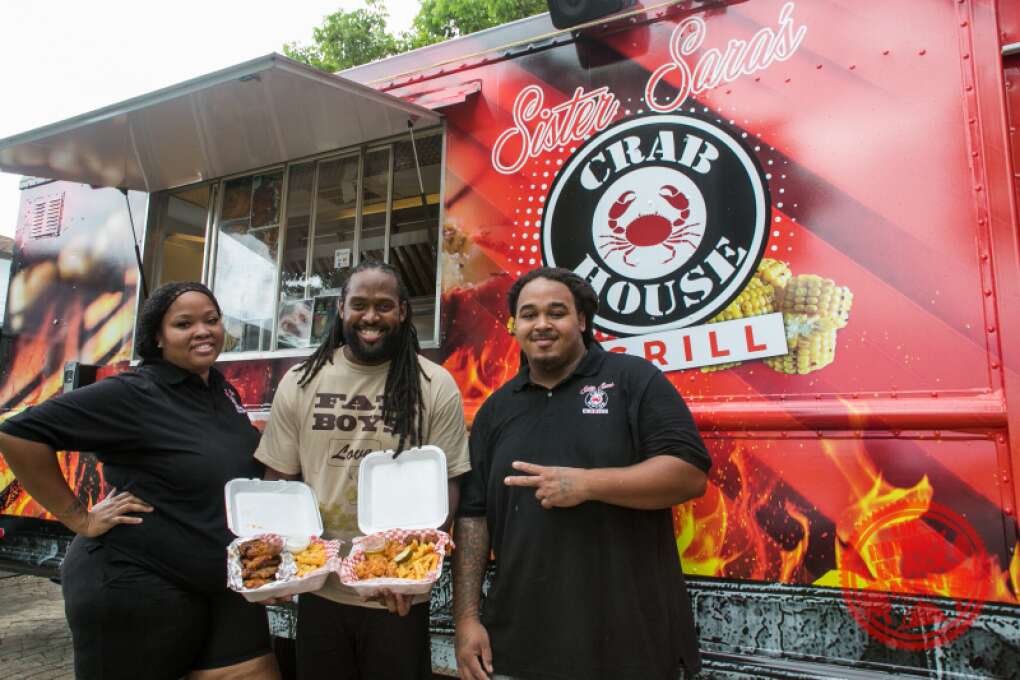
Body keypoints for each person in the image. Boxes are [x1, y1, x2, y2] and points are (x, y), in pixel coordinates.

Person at [0, 282, 278, 680]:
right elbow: (19, 434)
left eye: (211, 320)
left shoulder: (218, 388)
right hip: (136, 582)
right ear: (158, 338)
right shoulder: (133, 392)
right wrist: (79, 518)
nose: (203, 330)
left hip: (220, 581)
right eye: (184, 324)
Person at [453, 267, 712, 680]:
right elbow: (473, 516)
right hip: (520, 646)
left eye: (557, 312)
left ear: (582, 321)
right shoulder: (496, 409)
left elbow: (688, 474)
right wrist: (466, 620)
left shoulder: (633, 379)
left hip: (630, 644)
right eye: (528, 314)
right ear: (514, 326)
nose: (542, 324)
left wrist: (587, 484)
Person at [255, 260, 471, 680]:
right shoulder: (301, 380)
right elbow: (278, 481)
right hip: (321, 588)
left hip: (397, 596)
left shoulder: (434, 383)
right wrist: (275, 565)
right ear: (341, 309)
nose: (371, 317)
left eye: (384, 305)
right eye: (359, 305)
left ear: (403, 312)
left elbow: (448, 487)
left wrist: (409, 572)